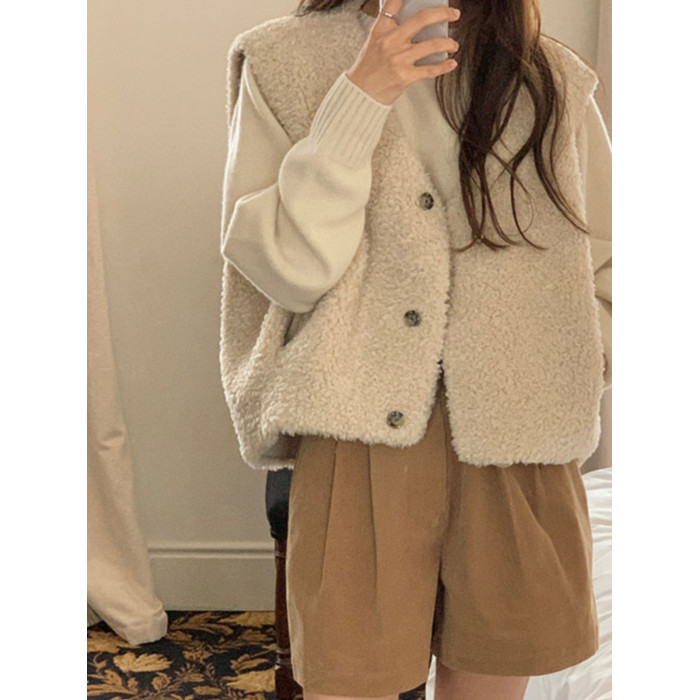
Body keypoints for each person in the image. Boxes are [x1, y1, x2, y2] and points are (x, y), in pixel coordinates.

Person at [219, 0, 612, 698]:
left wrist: (582, 357)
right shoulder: (283, 62)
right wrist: (358, 99)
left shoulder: (549, 78)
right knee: (349, 682)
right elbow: (285, 271)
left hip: (519, 440)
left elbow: (613, 261)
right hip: (356, 433)